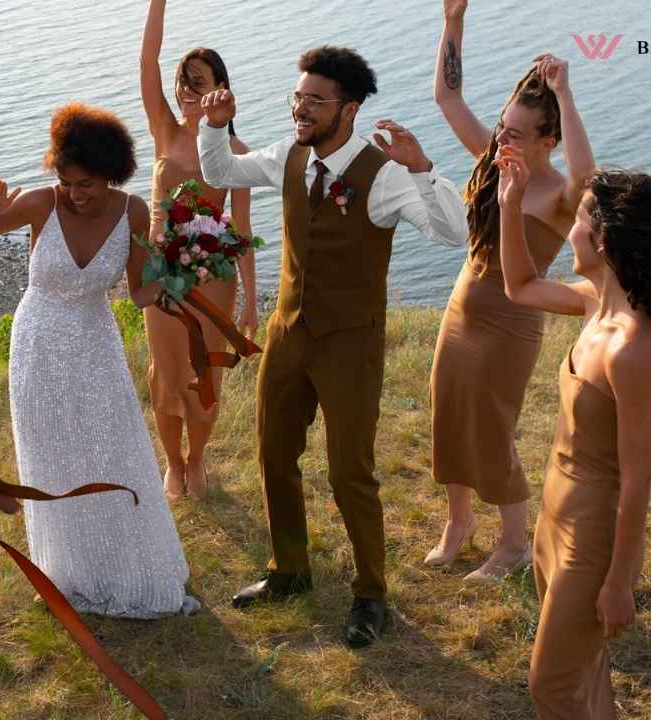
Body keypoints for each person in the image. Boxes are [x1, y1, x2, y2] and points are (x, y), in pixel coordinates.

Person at [198, 46, 469, 647]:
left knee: (350, 472)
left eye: (315, 101)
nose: (301, 108)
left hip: (350, 344)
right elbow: (221, 173)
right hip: (288, 334)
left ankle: (371, 594)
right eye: (298, 97)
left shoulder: (387, 174)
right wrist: (213, 128)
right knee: (273, 454)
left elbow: (453, 233)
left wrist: (424, 168)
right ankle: (288, 571)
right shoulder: (288, 156)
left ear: (348, 109)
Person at [0, 103, 198, 618]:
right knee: (52, 452)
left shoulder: (132, 211)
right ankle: (69, 569)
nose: (76, 194)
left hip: (95, 343)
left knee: (110, 446)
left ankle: (126, 563)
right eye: (67, 182)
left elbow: (140, 293)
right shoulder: (40, 203)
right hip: (38, 343)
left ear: (111, 173)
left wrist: (179, 275)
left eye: (86, 183)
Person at [496, 148, 651, 718]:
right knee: (583, 674)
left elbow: (637, 479)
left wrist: (620, 581)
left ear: (607, 240)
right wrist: (510, 205)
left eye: (579, 220)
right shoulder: (598, 306)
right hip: (554, 511)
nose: (569, 231)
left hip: (592, 532)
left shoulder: (635, 348)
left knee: (552, 686)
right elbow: (519, 285)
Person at [426, 0, 597, 583]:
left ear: (547, 138)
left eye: (519, 133)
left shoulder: (557, 193)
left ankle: (514, 544)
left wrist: (567, 94)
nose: (504, 138)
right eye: (503, 126)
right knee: (448, 414)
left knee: (491, 430)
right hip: (461, 310)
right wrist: (454, 22)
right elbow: (447, 98)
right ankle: (457, 523)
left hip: (511, 326)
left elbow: (588, 178)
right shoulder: (496, 165)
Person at [139, 0, 259, 501]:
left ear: (220, 90)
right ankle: (171, 463)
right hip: (162, 273)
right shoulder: (163, 129)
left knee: (204, 370)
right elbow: (146, 63)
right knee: (167, 372)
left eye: (199, 81)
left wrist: (252, 300)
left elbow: (246, 230)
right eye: (183, 81)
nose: (187, 90)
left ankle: (197, 459)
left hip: (215, 276)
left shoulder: (237, 153)